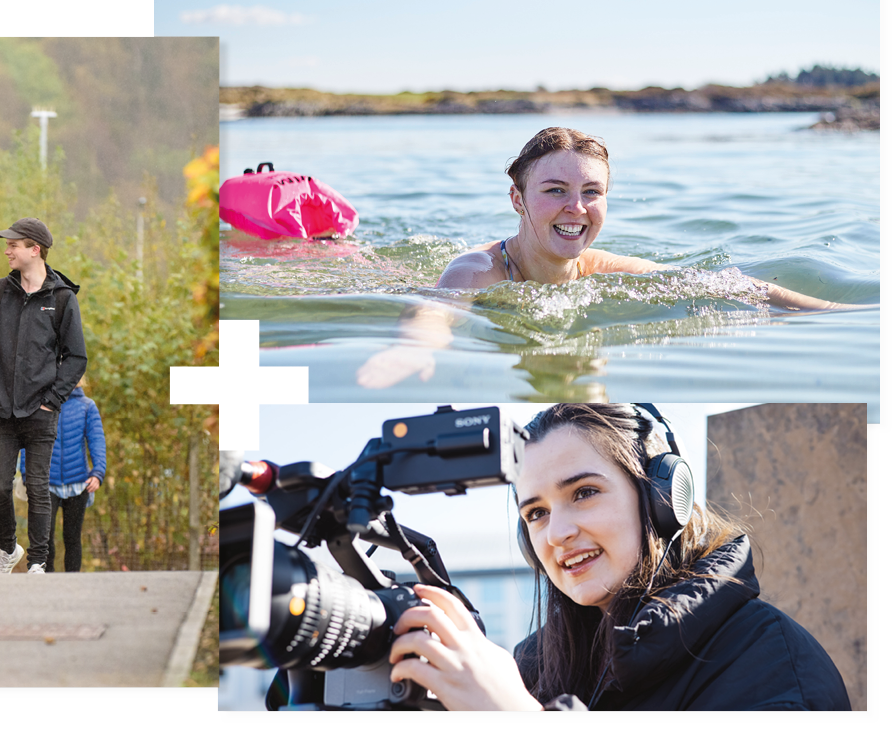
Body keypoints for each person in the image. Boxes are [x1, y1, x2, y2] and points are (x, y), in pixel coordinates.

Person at [387, 403, 851, 710]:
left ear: (665, 498)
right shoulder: (531, 667)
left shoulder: (771, 661)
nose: (558, 533)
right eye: (537, 513)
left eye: (584, 492)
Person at [357, 126, 864, 388]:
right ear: (518, 200)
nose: (575, 208)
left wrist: (844, 318)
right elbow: (437, 311)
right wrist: (415, 348)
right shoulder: (478, 270)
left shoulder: (603, 269)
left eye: (591, 193)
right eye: (554, 190)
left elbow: (725, 286)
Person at [0, 217, 87, 575]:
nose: (7, 251)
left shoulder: (63, 299)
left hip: (40, 411)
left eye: (13, 245)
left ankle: (37, 561)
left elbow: (76, 357)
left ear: (34, 250)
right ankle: (8, 550)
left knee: (38, 487)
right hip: (0, 412)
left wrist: (52, 400)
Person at [45, 375, 106, 572]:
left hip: (79, 483)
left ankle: (72, 587)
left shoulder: (87, 406)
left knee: (72, 538)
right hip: (47, 482)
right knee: (45, 539)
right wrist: (27, 473)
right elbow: (27, 440)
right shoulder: (41, 404)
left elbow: (96, 440)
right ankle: (46, 586)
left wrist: (97, 472)